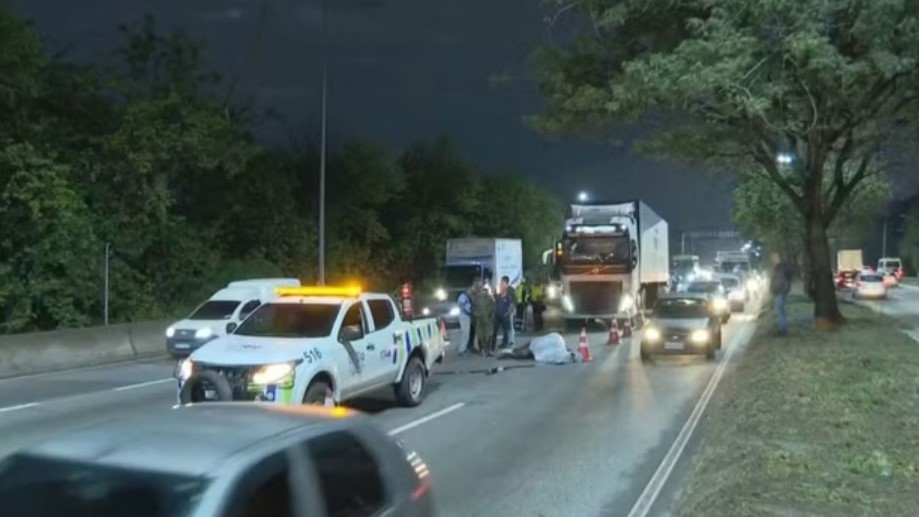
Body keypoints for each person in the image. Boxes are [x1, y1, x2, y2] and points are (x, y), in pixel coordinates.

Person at [770, 253, 792, 335]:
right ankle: (782, 327)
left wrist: (776, 289)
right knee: (781, 311)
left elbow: (779, 281)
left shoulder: (780, 268)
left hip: (780, 291)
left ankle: (782, 329)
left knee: (780, 311)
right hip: (780, 291)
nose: (772, 260)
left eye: (773, 258)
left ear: (777, 258)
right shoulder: (779, 268)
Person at [492, 276, 515, 350]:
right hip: (497, 315)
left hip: (505, 316)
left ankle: (505, 343)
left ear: (506, 285)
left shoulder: (509, 295)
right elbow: (493, 300)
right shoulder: (498, 294)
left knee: (506, 330)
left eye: (503, 283)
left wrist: (508, 313)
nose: (501, 285)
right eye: (501, 283)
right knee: (494, 330)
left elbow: (511, 306)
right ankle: (492, 344)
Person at [472, 282, 495, 355]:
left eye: (485, 289)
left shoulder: (490, 298)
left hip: (488, 319)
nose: (484, 291)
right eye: (482, 289)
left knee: (488, 334)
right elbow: (473, 308)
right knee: (480, 335)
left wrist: (492, 315)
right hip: (479, 319)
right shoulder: (476, 298)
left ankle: (488, 350)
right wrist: (475, 316)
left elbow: (494, 307)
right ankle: (482, 350)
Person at [456, 280, 475, 355]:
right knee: (465, 333)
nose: (471, 292)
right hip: (464, 316)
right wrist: (468, 312)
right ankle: (462, 349)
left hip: (467, 316)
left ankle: (464, 348)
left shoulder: (467, 297)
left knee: (466, 333)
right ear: (467, 290)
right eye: (470, 290)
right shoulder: (462, 297)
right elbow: (462, 306)